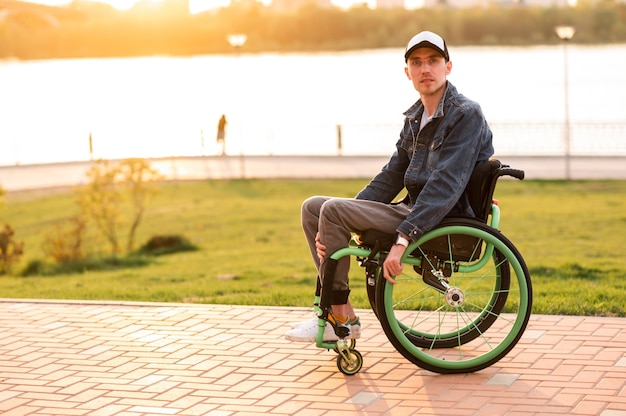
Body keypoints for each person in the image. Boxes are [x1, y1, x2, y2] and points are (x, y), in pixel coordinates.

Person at [285, 31, 494, 342]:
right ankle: (346, 315)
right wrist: (346, 216)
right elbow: (392, 175)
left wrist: (402, 239)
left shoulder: (466, 113)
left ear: (448, 67)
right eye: (417, 62)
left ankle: (337, 317)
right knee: (314, 207)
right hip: (412, 209)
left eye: (433, 61)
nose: (425, 69)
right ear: (407, 71)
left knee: (331, 210)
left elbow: (446, 185)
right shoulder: (416, 117)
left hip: (443, 218)